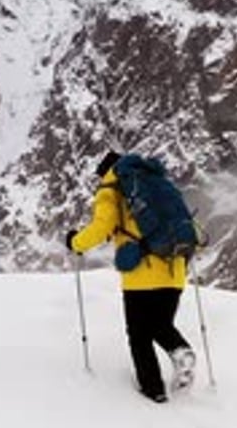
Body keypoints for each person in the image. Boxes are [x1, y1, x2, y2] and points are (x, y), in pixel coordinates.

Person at [65, 151, 196, 403]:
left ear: (106, 172)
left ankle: (153, 391)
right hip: (175, 271)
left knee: (139, 334)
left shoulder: (112, 188)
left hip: (140, 276)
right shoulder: (158, 182)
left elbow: (101, 227)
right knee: (161, 325)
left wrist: (75, 242)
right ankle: (179, 351)